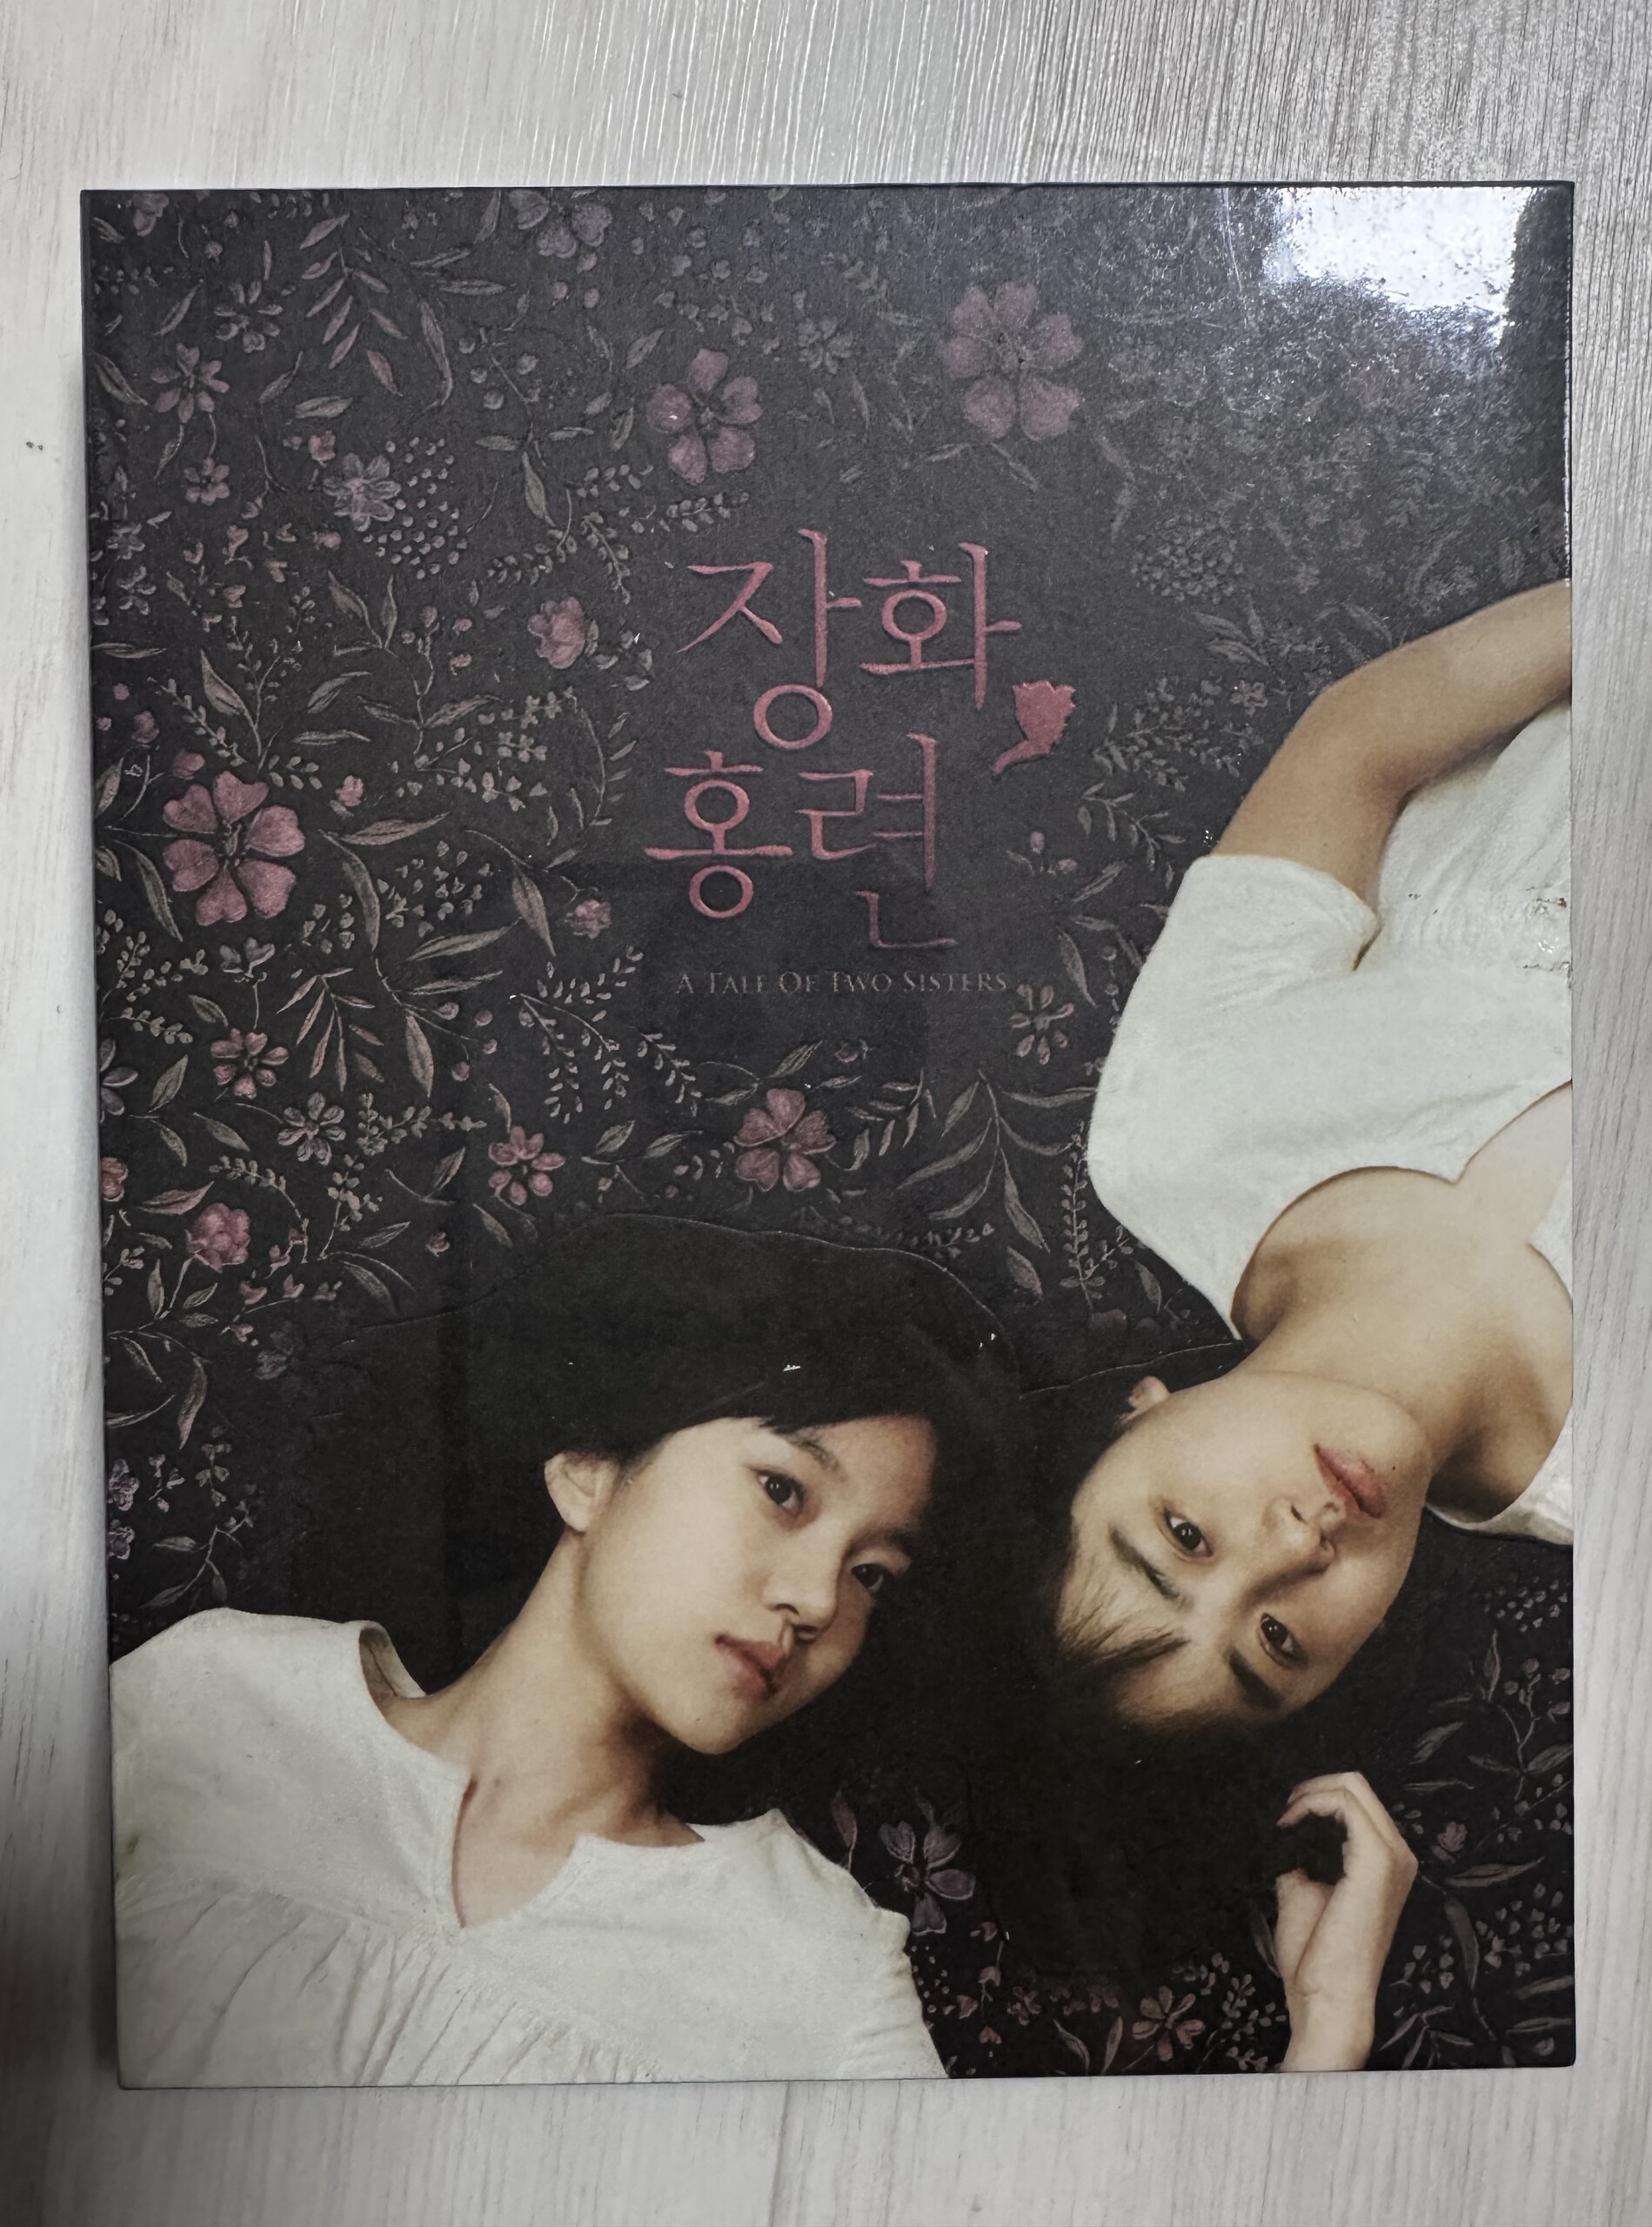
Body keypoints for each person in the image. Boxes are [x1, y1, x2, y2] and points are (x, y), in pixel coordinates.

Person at [111, 1215, 1018, 2086]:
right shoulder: (213, 1694)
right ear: (588, 1468)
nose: (819, 1600)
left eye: (872, 1573)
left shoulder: (823, 1969)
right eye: (783, 1490)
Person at [1053, 581, 1572, 1738]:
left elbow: (1357, 749)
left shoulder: (1178, 1138)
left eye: (1185, 1536)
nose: (1293, 1547)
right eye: (1278, 1643)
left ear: (1135, 1416)